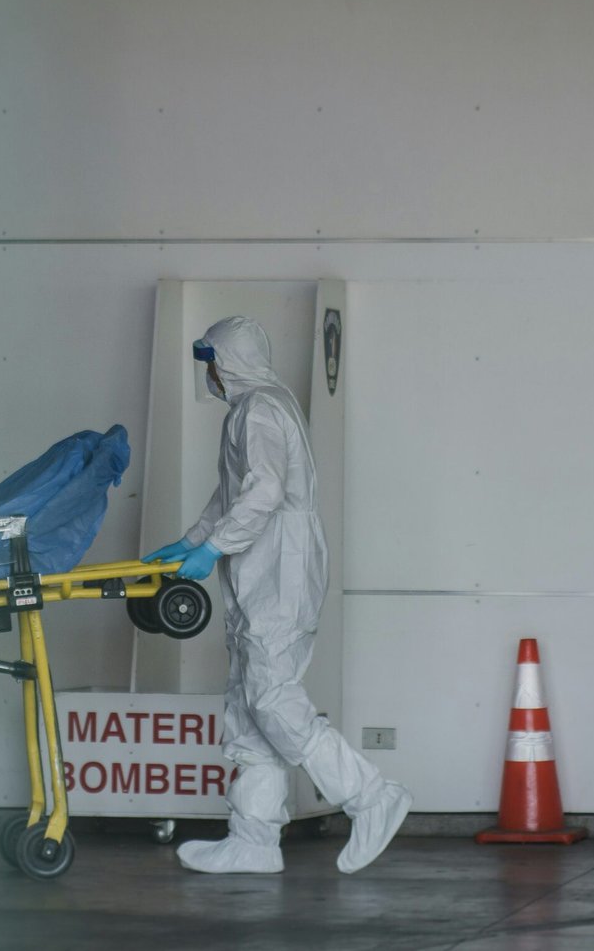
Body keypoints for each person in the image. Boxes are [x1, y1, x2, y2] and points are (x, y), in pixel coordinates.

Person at [144, 316, 411, 875]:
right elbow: (232, 493)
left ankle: (371, 796)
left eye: (210, 361)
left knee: (270, 697)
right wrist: (191, 542)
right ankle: (254, 840)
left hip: (281, 570)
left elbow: (264, 491)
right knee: (248, 704)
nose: (207, 373)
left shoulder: (260, 408)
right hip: (260, 568)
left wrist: (212, 548)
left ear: (227, 362)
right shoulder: (252, 407)